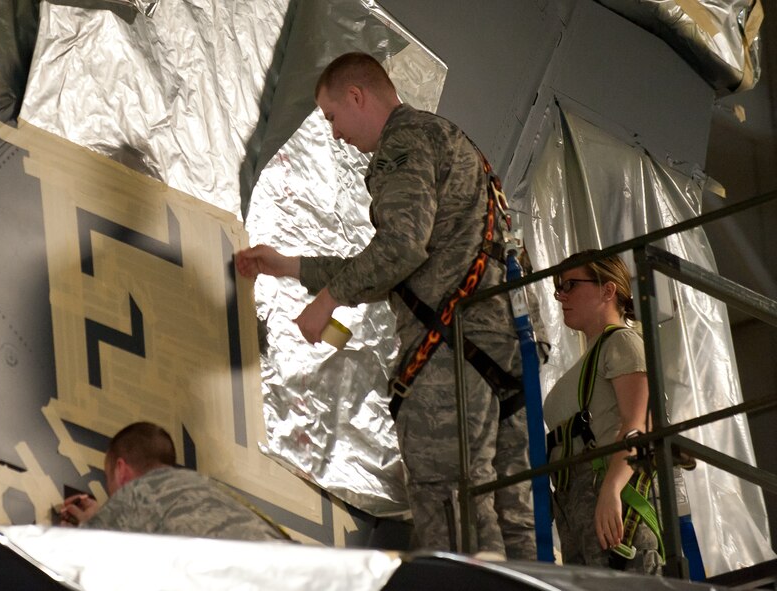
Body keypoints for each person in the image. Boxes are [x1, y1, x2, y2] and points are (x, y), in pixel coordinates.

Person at [235, 52, 541, 556]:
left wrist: (328, 301)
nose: (335, 134)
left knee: (448, 499)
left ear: (357, 96)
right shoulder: (449, 141)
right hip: (501, 350)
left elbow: (400, 246)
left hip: (453, 355)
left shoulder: (404, 142)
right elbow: (408, 263)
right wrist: (289, 266)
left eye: (333, 116)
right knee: (510, 514)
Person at [544, 251, 661, 574]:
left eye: (570, 285)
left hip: (608, 488)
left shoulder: (621, 342)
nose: (560, 295)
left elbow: (639, 423)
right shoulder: (591, 358)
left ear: (608, 290)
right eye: (558, 287)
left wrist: (611, 490)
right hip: (576, 502)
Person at [60, 422, 289, 542]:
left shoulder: (136, 494)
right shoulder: (207, 488)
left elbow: (90, 557)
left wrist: (87, 526)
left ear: (121, 470)